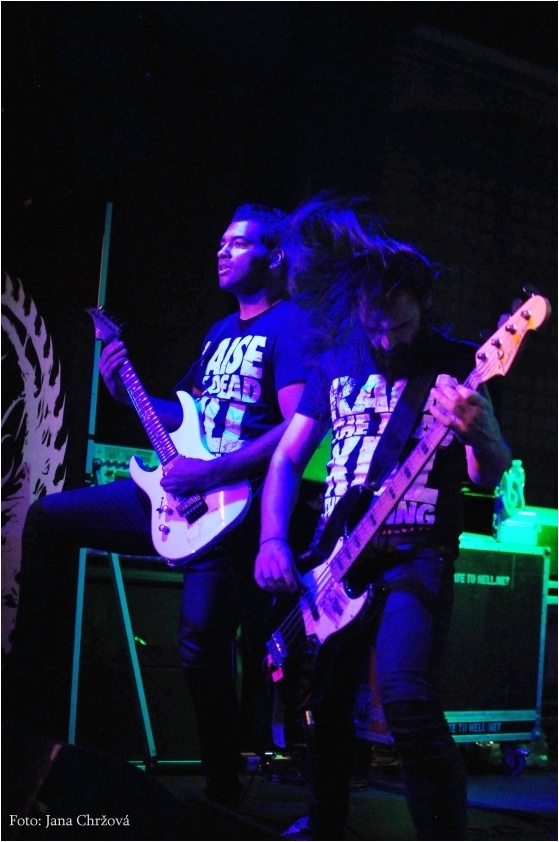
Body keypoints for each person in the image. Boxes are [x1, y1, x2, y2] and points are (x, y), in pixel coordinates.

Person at [4, 203, 314, 811]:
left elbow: (295, 429)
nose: (222, 251)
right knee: (48, 518)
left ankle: (221, 790)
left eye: (238, 243)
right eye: (220, 242)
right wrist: (129, 392)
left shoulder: (292, 326)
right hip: (180, 492)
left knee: (200, 647)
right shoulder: (219, 333)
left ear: (274, 256)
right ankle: (25, 703)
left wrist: (215, 470)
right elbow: (187, 415)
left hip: (233, 506)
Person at [254, 196, 512, 840]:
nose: (387, 341)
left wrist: (481, 434)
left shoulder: (460, 363)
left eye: (399, 326)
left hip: (416, 552)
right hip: (336, 557)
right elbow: (287, 458)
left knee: (405, 694)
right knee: (326, 703)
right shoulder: (336, 361)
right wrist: (273, 538)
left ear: (424, 305)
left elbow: (487, 475)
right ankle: (326, 822)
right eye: (375, 328)